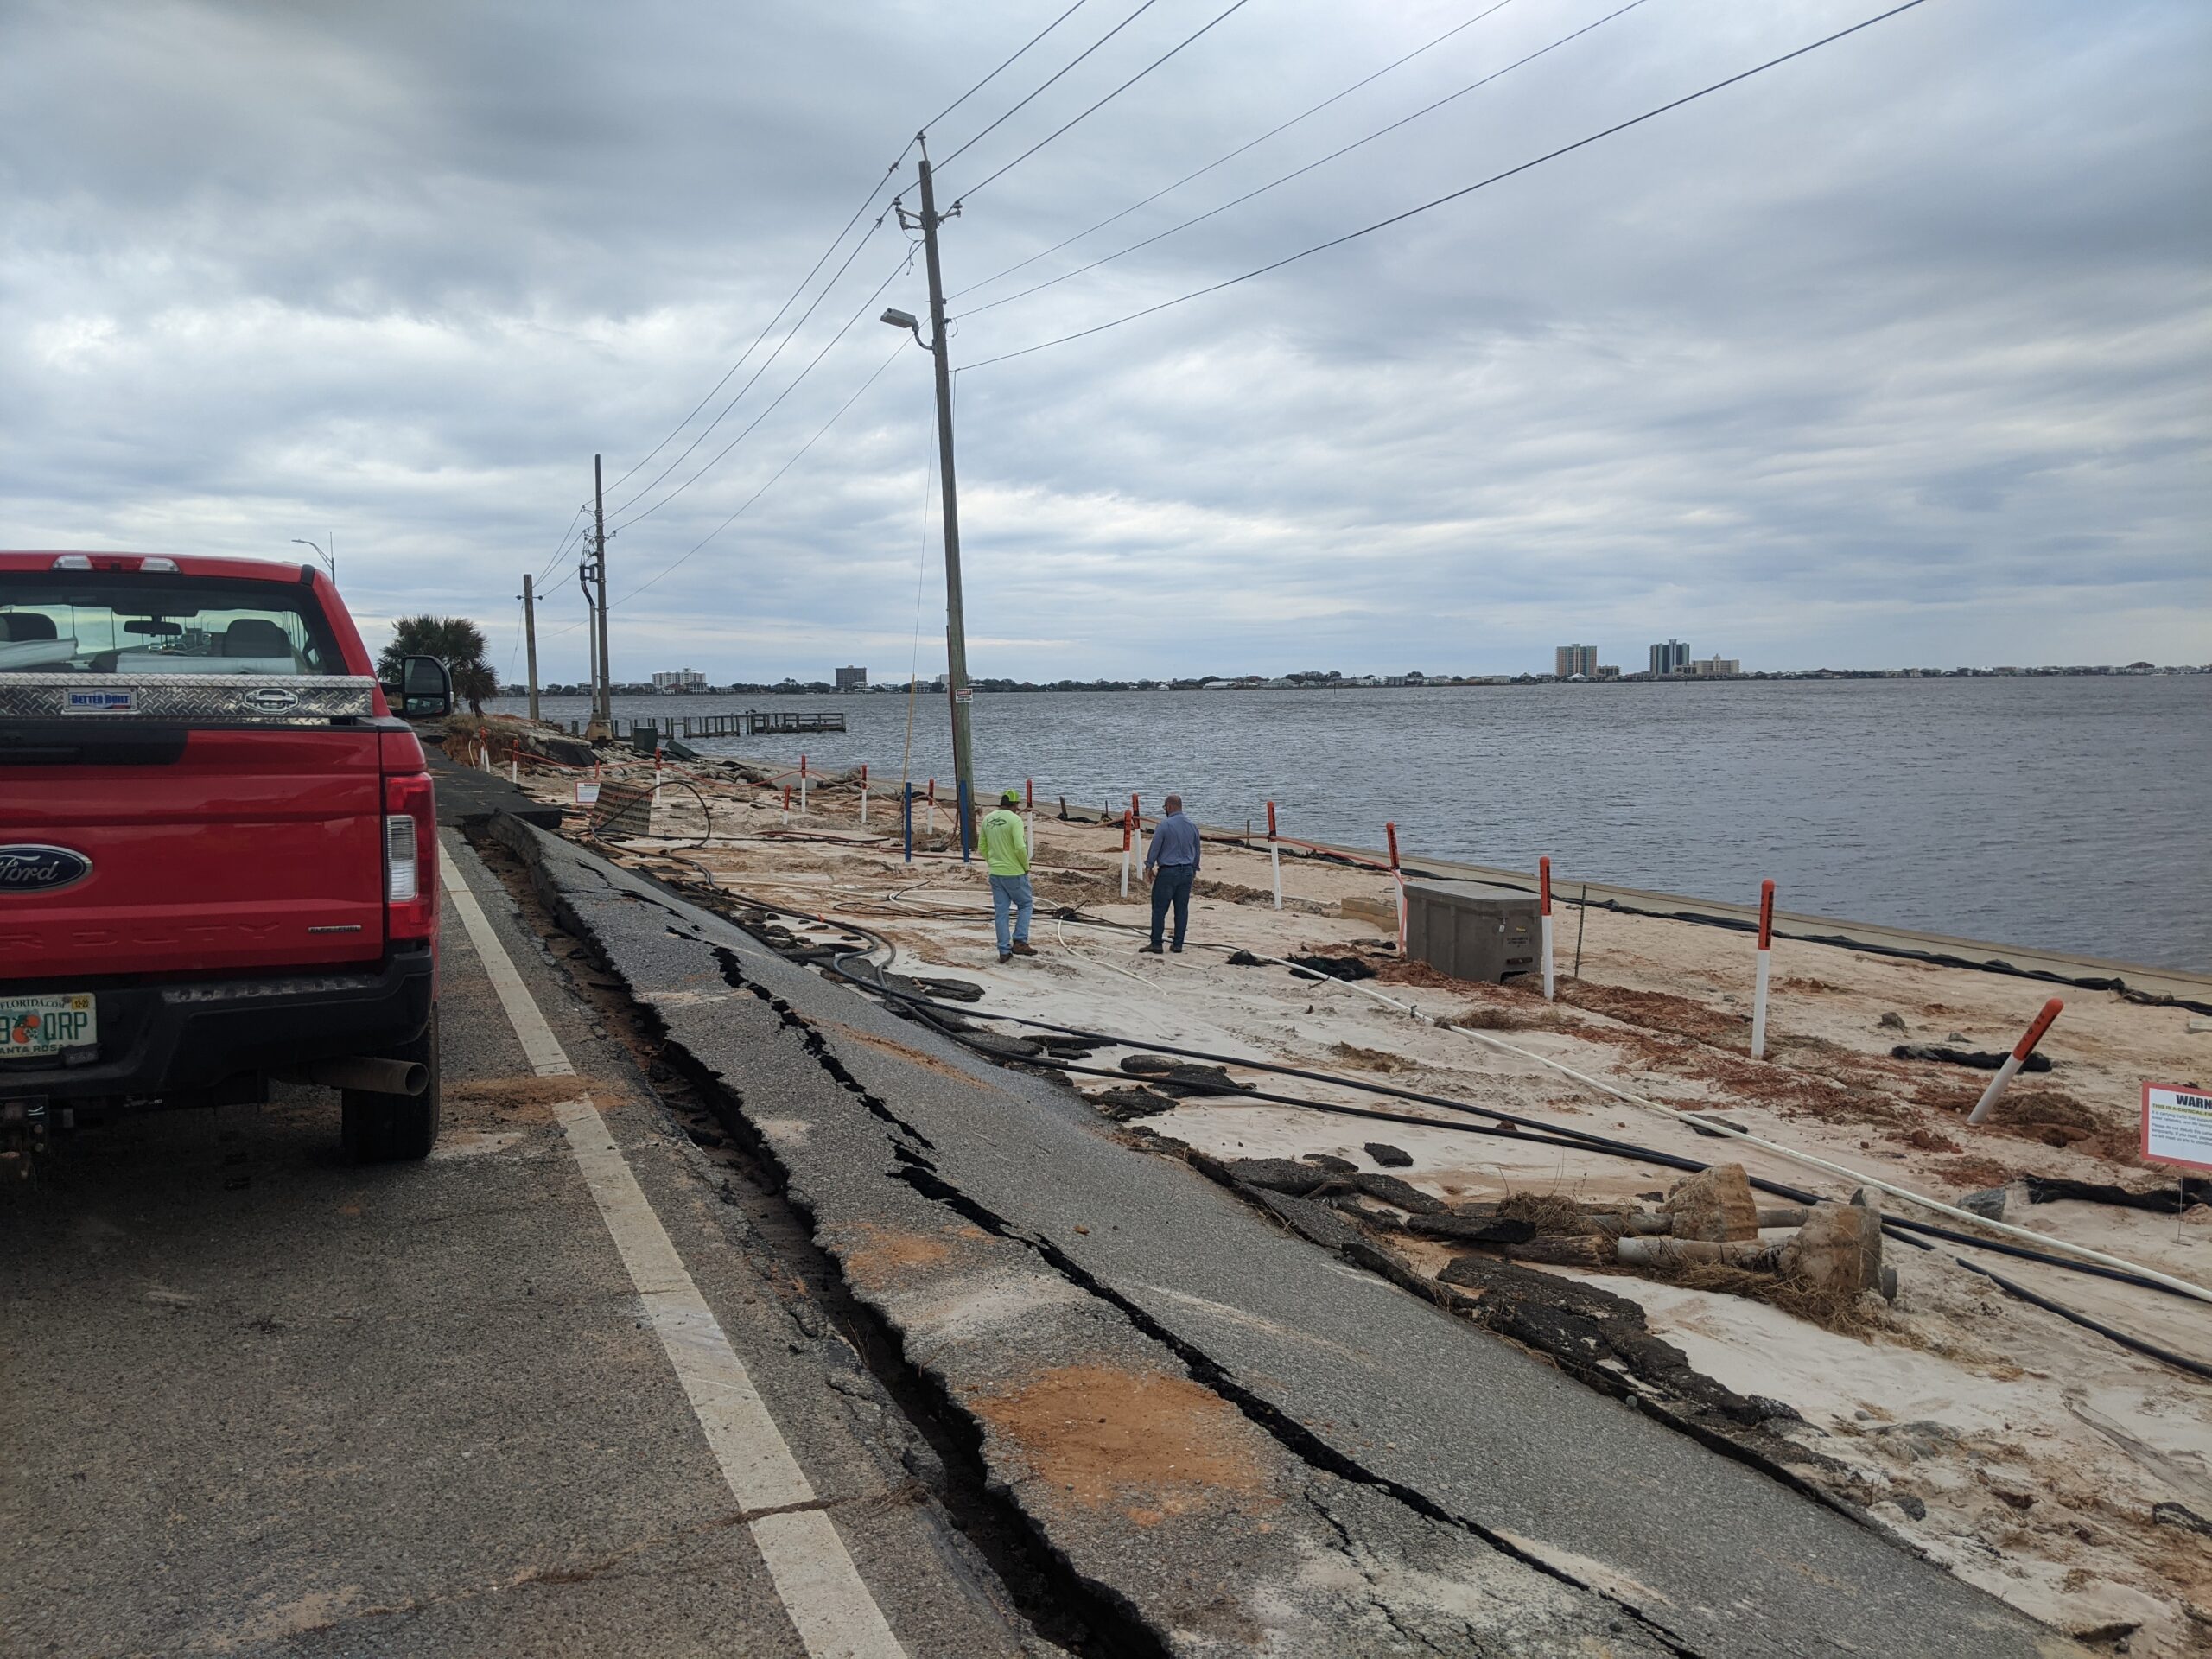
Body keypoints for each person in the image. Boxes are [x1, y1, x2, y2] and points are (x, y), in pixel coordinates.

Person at [980, 786, 1036, 963]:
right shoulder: (1015, 820)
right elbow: (1020, 847)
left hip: (996, 873)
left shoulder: (987, 819)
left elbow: (982, 847)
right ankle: (1019, 940)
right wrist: (1025, 865)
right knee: (1025, 904)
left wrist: (993, 862)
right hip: (1014, 872)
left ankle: (1004, 951)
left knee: (1001, 912)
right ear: (1014, 805)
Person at [1141, 792, 1201, 955]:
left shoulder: (1164, 825)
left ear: (1169, 806)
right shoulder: (1192, 826)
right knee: (1182, 909)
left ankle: (1156, 943)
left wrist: (1149, 867)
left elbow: (1155, 847)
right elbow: (1197, 850)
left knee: (1159, 908)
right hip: (1187, 871)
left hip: (1168, 871)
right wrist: (1194, 868)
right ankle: (1178, 944)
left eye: (1165, 807)